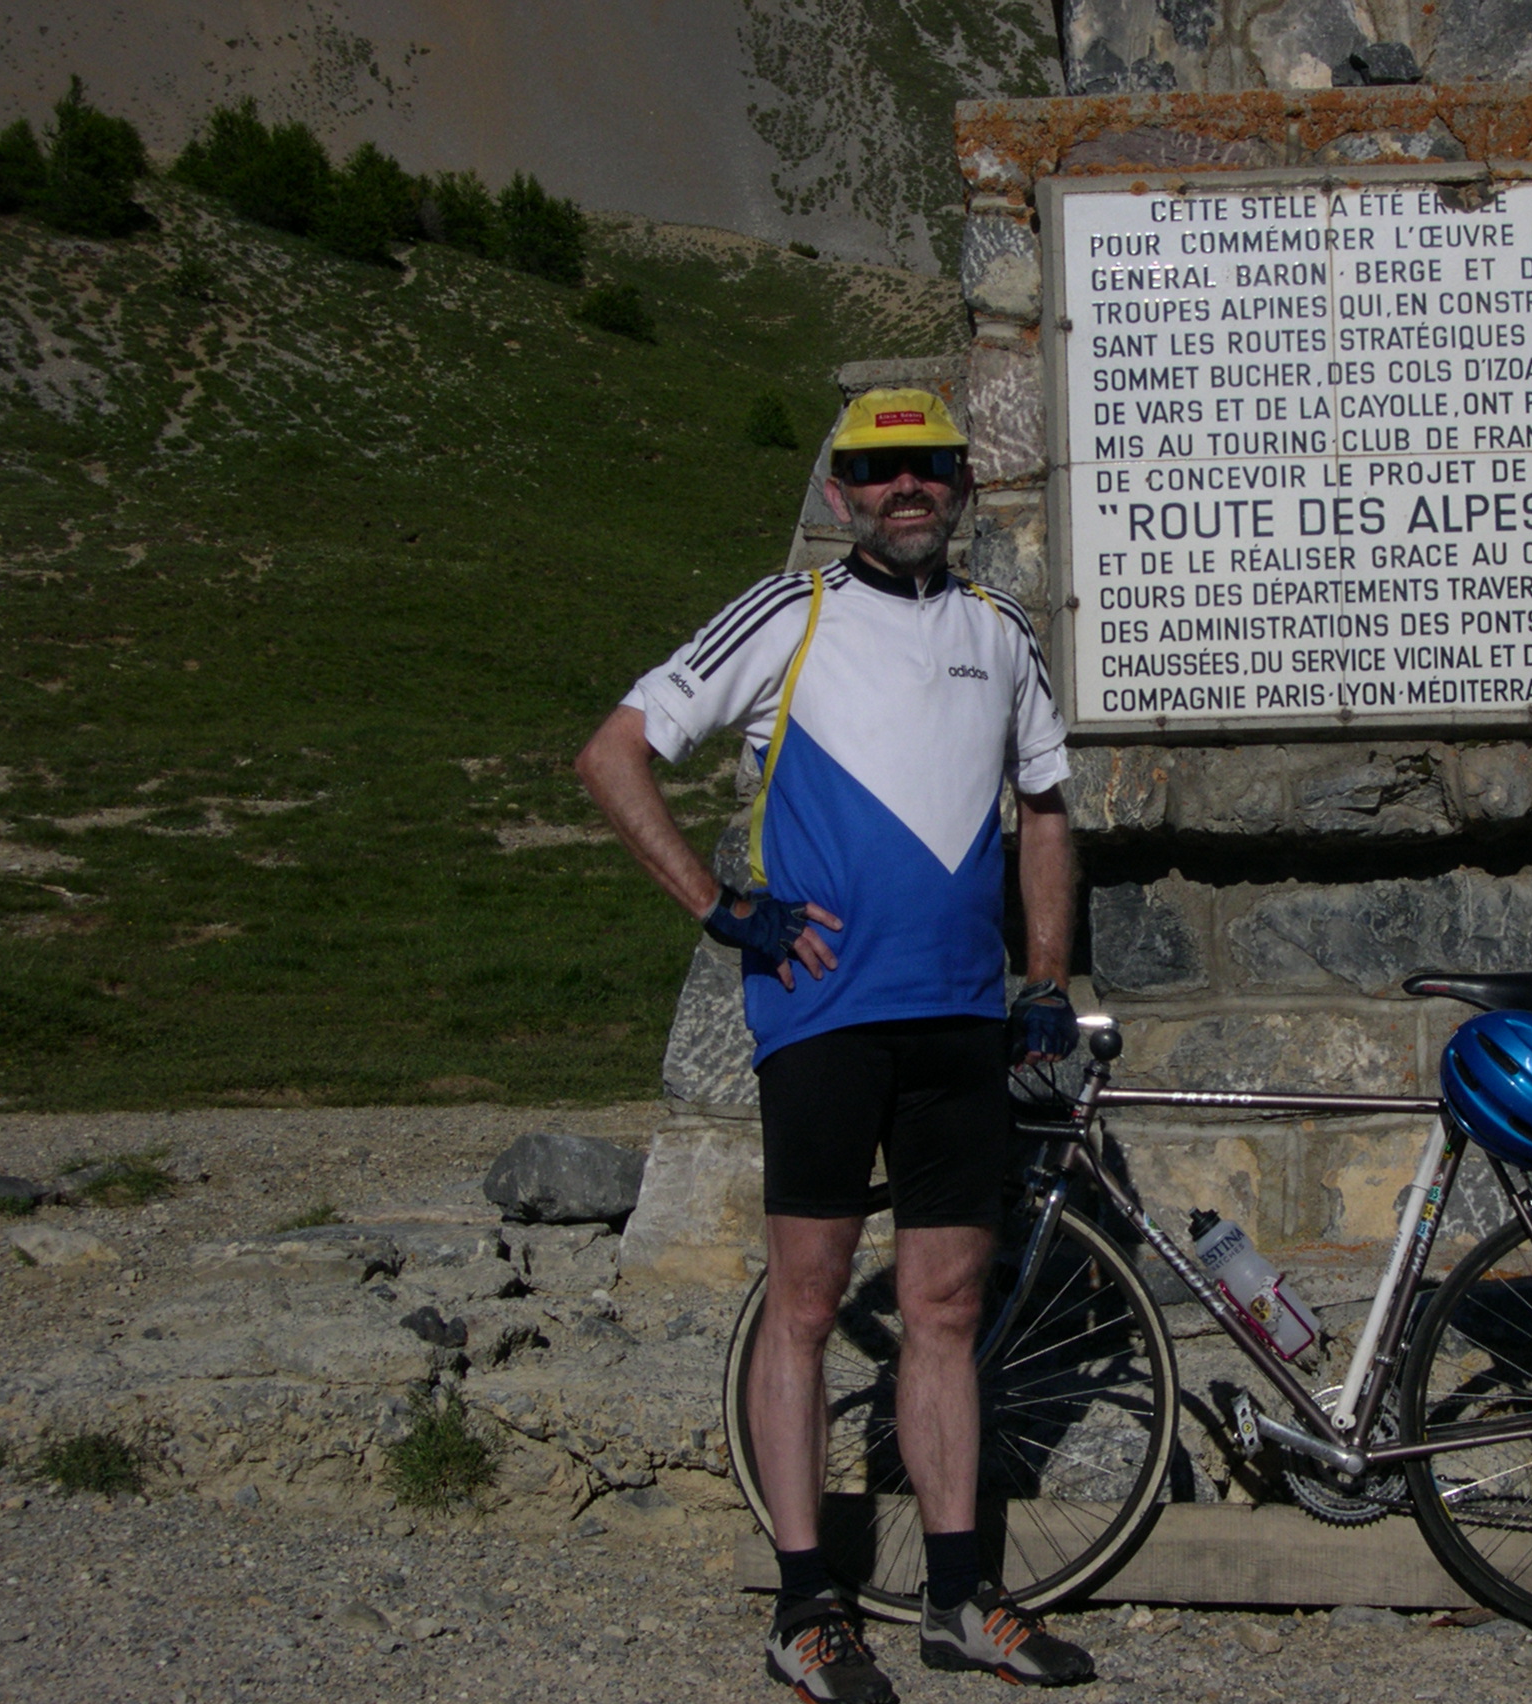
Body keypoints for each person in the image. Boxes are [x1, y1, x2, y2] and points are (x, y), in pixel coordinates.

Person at [575, 388, 1095, 1701]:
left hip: (962, 1023)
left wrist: (1043, 979)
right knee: (806, 1307)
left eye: (929, 466)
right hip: (822, 1021)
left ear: (962, 488)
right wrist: (720, 909)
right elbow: (615, 753)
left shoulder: (1000, 632)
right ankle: (806, 1606)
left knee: (945, 1307)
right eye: (879, 470)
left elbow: (1044, 809)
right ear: (843, 495)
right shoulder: (786, 613)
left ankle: (963, 1597)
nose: (906, 487)